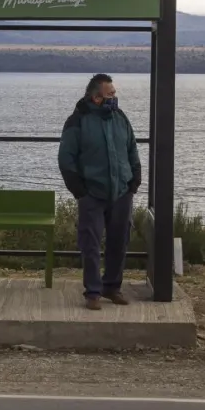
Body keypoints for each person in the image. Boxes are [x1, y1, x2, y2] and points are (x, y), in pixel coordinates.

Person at [57, 74, 142, 310]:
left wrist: (134, 181)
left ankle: (112, 287)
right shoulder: (77, 121)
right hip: (91, 194)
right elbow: (66, 158)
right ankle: (92, 292)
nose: (115, 97)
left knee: (119, 241)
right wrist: (80, 191)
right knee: (91, 244)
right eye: (110, 94)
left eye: (114, 93)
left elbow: (132, 148)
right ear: (96, 97)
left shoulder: (120, 117)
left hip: (122, 192)